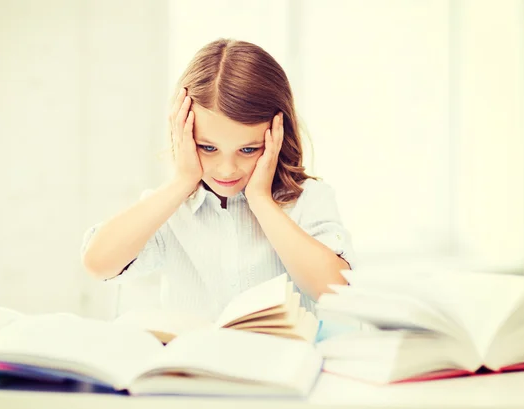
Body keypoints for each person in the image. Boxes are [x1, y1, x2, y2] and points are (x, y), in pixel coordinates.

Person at [81, 38, 355, 321]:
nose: (227, 170)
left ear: (278, 136)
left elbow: (335, 290)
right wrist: (183, 180)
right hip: (195, 364)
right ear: (183, 135)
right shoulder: (173, 209)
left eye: (248, 150)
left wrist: (260, 200)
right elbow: (98, 263)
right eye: (208, 148)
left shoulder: (309, 199)